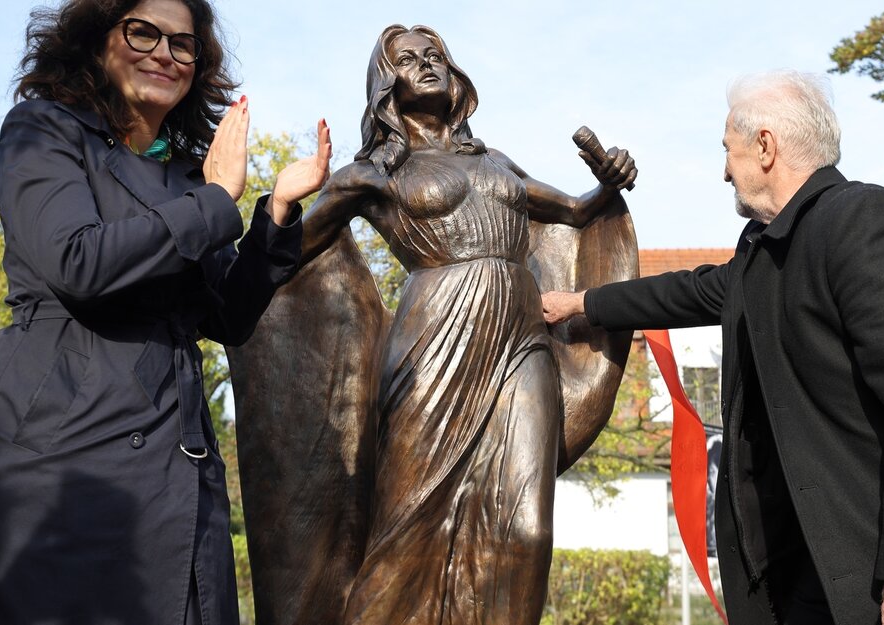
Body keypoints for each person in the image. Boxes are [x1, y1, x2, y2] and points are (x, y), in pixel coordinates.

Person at [541, 70, 884, 625]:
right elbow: (692, 290)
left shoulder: (867, 225)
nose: (724, 171)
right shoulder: (767, 254)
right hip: (819, 579)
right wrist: (580, 305)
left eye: (728, 150)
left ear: (765, 146)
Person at [0, 0, 330, 622]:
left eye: (183, 44)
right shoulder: (43, 130)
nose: (164, 53)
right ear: (95, 41)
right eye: (143, 32)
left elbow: (226, 318)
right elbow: (76, 261)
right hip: (58, 456)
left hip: (177, 459)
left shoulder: (190, 176)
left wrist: (275, 215)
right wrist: (217, 199)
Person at [236, 24, 635, 625]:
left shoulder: (493, 160)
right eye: (407, 59)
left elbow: (576, 210)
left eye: (436, 56)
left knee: (525, 526)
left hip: (521, 338)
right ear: (385, 84)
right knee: (408, 524)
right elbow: (284, 257)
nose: (426, 64)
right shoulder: (369, 173)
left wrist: (610, 178)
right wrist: (283, 203)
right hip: (432, 344)